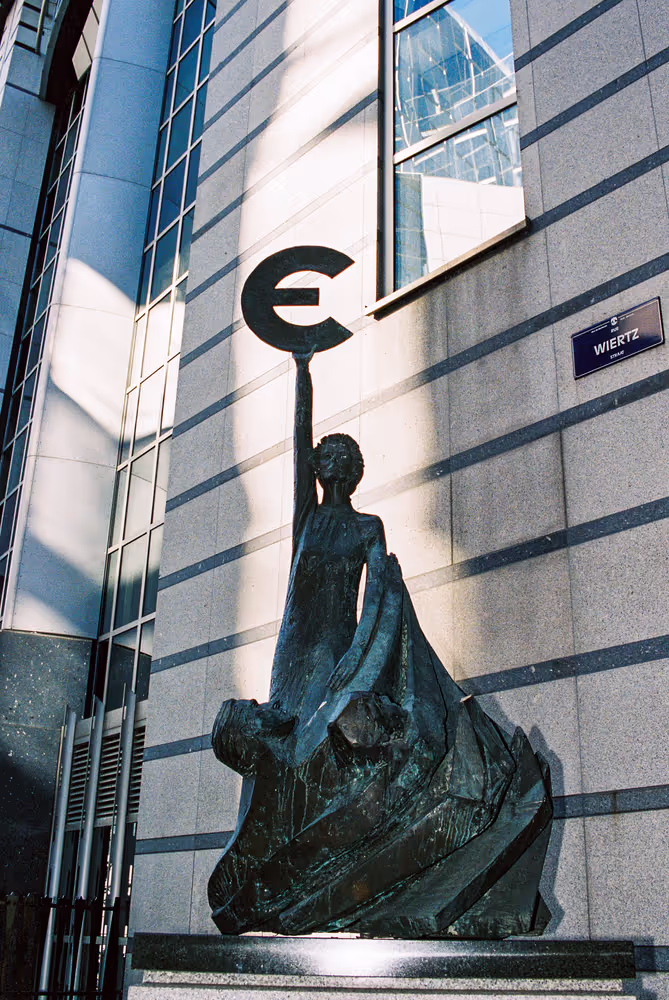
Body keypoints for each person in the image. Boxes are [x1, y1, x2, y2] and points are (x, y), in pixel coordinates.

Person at [208, 353, 553, 938]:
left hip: (334, 650)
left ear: (355, 473)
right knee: (279, 760)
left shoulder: (368, 526)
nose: (333, 467)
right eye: (328, 459)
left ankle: (325, 863)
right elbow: (297, 442)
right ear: (319, 468)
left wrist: (361, 662)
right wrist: (302, 374)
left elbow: (381, 595)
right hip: (292, 650)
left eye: (344, 461)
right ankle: (266, 862)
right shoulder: (306, 518)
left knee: (318, 751)